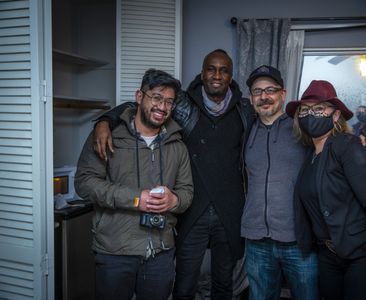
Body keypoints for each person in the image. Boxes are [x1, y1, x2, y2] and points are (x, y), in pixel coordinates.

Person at [93, 49, 255, 299]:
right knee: (184, 284)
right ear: (202, 73)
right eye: (211, 69)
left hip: (230, 212)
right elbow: (141, 104)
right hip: (192, 211)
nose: (217, 75)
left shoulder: (245, 109)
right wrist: (104, 120)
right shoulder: (182, 103)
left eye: (224, 70)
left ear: (231, 76)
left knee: (225, 284)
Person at [74, 69, 194, 300]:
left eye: (169, 101)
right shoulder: (107, 136)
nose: (162, 106)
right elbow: (85, 183)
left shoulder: (178, 145)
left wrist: (174, 200)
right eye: (157, 97)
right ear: (140, 96)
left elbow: (187, 192)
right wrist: (136, 199)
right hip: (115, 252)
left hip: (161, 253)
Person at [286, 80, 366, 300]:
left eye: (319, 109)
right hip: (329, 256)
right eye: (305, 110)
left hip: (364, 254)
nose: (311, 114)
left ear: (336, 115)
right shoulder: (310, 156)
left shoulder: (349, 146)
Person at [241, 65, 319, 300]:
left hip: (299, 241)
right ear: (251, 98)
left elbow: (333, 142)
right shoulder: (244, 130)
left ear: (283, 94)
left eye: (270, 90)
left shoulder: (302, 127)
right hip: (256, 241)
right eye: (257, 91)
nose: (264, 96)